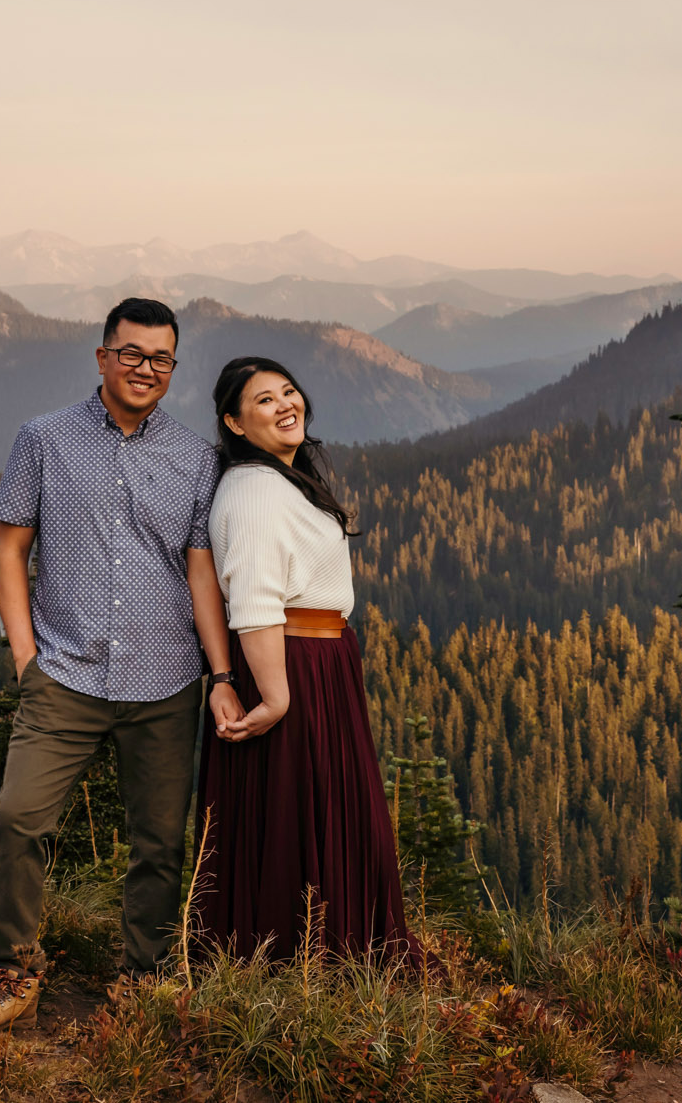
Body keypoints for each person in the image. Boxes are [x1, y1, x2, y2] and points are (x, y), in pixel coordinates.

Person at [0, 298, 237, 1032]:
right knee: (18, 819)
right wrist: (26, 657)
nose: (145, 368)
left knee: (159, 841)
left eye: (160, 358)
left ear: (173, 367)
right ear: (103, 356)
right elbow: (12, 549)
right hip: (66, 674)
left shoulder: (196, 458)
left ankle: (143, 975)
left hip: (168, 678)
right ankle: (11, 970)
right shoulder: (43, 439)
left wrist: (222, 675)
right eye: (132, 353)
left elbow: (201, 572)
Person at [194, 356, 421, 963]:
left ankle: (323, 951)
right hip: (294, 665)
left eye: (289, 391)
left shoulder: (280, 480)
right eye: (264, 400)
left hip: (318, 660)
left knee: (310, 809)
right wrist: (277, 696)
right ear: (234, 423)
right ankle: (305, 956)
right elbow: (254, 600)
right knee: (301, 810)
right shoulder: (255, 492)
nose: (285, 405)